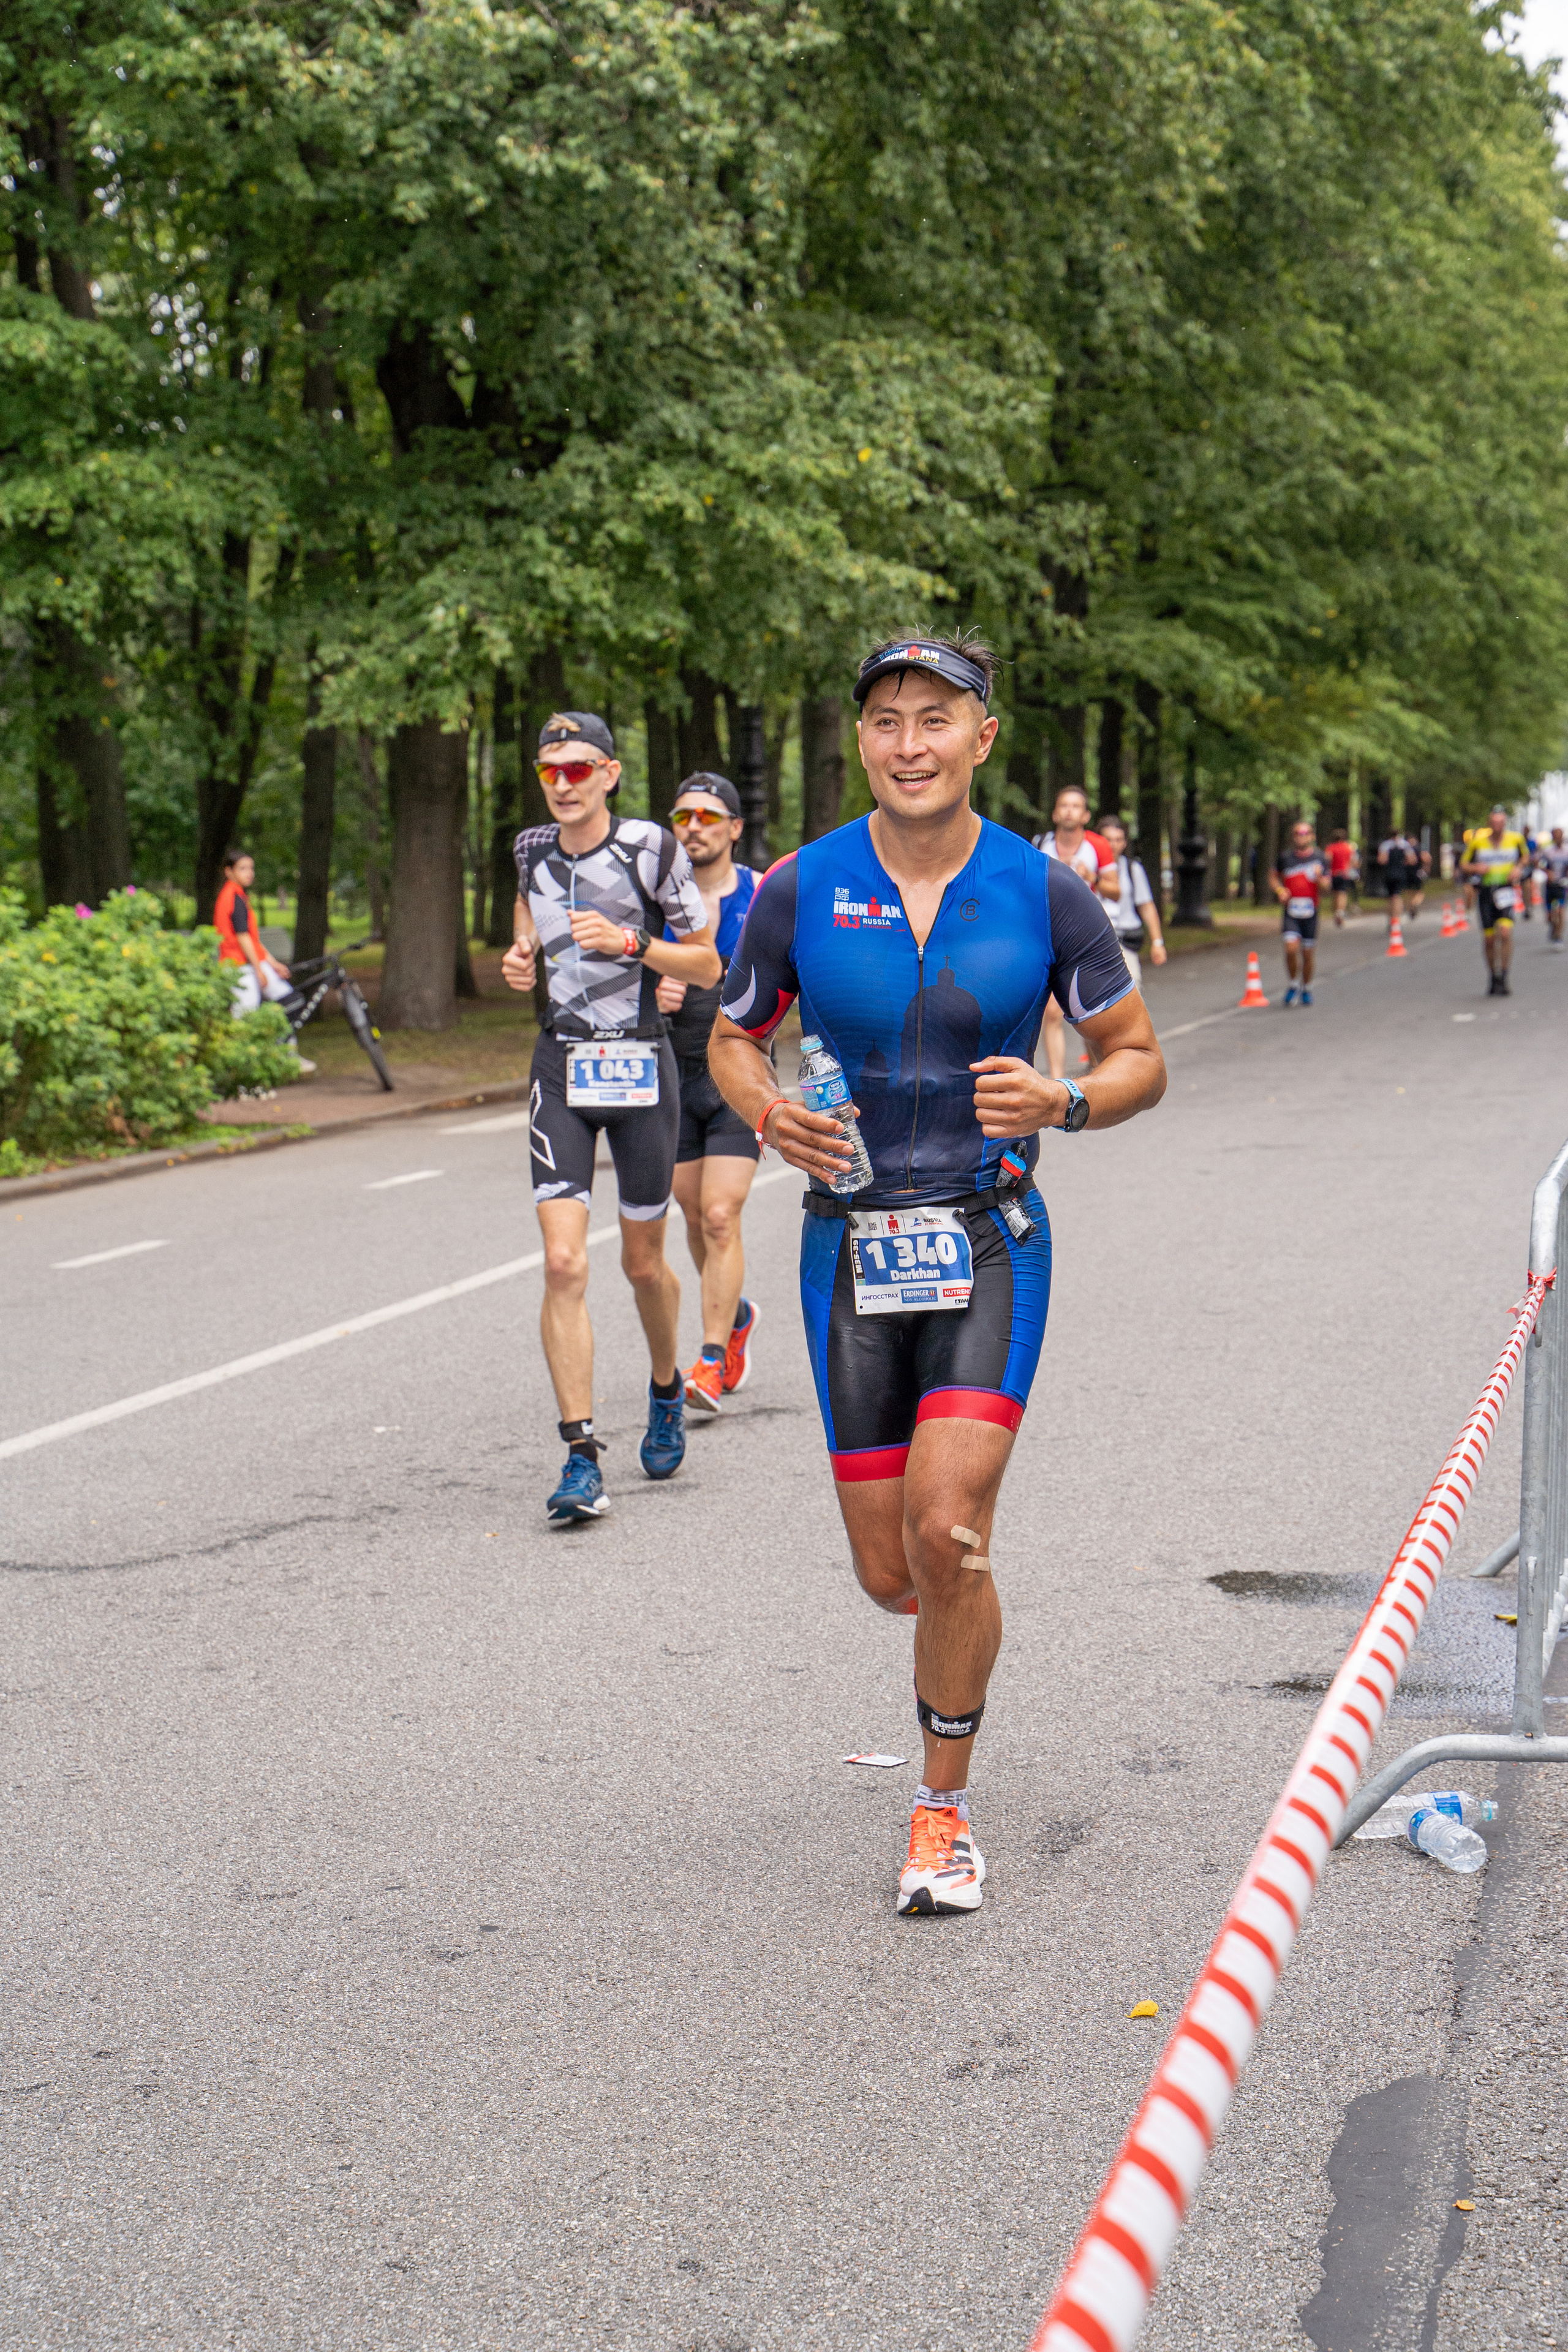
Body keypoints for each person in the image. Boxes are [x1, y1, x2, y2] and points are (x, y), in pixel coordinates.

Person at [709, 632, 1166, 1917]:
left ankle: (940, 1812)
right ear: (861, 741)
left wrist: (1065, 1098)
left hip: (985, 1235)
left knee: (949, 1530)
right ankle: (944, 1614)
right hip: (848, 1243)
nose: (907, 743)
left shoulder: (1046, 891)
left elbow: (1136, 1053)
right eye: (884, 721)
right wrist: (762, 1111)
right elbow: (734, 1040)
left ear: (982, 736)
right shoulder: (797, 888)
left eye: (934, 719)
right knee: (891, 1569)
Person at [503, 711, 720, 1523]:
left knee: (640, 1263)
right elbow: (527, 928)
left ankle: (666, 1387)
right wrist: (519, 954)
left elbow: (705, 960)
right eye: (549, 769)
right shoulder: (529, 850)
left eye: (578, 768)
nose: (563, 783)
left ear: (611, 773)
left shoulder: (650, 850)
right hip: (561, 1063)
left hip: (638, 1061)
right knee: (563, 1263)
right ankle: (580, 1454)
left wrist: (634, 945)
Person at [653, 771, 764, 1414]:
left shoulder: (761, 894)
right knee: (692, 1214)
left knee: (721, 1214)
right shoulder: (656, 902)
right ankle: (737, 1313)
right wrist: (655, 989)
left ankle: (713, 1359)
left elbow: (795, 975)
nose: (693, 826)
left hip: (736, 1068)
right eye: (683, 816)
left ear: (733, 828)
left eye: (707, 815)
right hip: (671, 1073)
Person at [1031, 785, 1117, 1079]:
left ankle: (1097, 1069)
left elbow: (1116, 891)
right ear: (1056, 813)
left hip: (1086, 938)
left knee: (1090, 1013)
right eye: (1064, 805)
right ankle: (1057, 1080)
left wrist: (1091, 878)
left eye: (1076, 806)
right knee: (1052, 1013)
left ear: (1086, 815)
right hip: (1049, 936)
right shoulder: (1040, 845)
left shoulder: (1097, 847)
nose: (1069, 811)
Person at [1460, 805, 1530, 995]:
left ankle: (1505, 975)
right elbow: (1464, 865)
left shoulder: (1516, 839)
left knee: (1506, 934)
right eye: (1494, 822)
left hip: (1506, 891)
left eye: (1501, 822)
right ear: (1489, 824)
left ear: (1505, 823)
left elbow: (1525, 858)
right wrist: (1476, 869)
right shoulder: (1478, 843)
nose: (1498, 826)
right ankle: (1494, 976)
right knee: (1490, 940)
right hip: (1486, 892)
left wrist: (1518, 869)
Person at [1095, 813, 1166, 985]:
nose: (1113, 845)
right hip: (1094, 942)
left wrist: (1157, 942)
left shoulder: (1133, 869)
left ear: (1125, 843)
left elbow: (1146, 906)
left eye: (1118, 840)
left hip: (1124, 941)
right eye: (1108, 839)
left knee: (1132, 988)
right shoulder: (1087, 867)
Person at [1270, 821, 1330, 1006]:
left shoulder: (1320, 858)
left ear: (1312, 836)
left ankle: (1307, 988)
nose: (1301, 836)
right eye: (1297, 833)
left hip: (1311, 912)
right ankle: (1294, 984)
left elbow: (1327, 887)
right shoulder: (1285, 857)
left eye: (1305, 833)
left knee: (1308, 953)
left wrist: (1320, 877)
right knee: (1290, 949)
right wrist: (1280, 891)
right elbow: (1273, 876)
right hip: (1291, 911)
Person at [1376, 824, 1421, 925]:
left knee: (1390, 896)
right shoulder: (1404, 844)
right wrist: (1404, 861)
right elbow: (1413, 860)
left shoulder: (1385, 845)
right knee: (1398, 895)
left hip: (1389, 873)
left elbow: (1382, 860)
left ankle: (1391, 917)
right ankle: (1397, 918)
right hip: (1401, 873)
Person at [1539, 827, 1568, 948]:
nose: (1558, 838)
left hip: (1562, 885)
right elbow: (1540, 864)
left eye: (1560, 835)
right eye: (1556, 836)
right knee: (1550, 915)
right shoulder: (1547, 851)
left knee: (1561, 912)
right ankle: (1552, 927)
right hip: (1550, 886)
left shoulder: (1566, 851)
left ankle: (1559, 936)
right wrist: (1547, 872)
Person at [1326, 829, 1358, 925]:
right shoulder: (1349, 847)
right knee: (1343, 893)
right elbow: (1354, 861)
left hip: (1333, 874)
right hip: (1345, 874)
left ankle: (1336, 912)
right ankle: (1340, 912)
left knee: (1335, 893)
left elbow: (1327, 860)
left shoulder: (1330, 848)